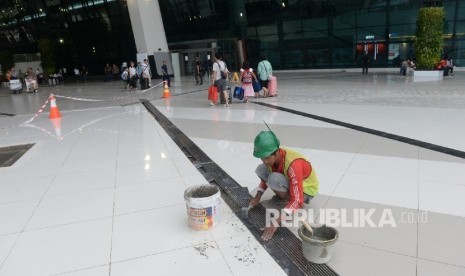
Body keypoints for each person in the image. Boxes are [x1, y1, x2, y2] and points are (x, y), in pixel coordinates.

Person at [249, 130, 319, 241]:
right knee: (261, 170)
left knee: (273, 179)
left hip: (306, 191)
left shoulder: (293, 164)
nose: (264, 161)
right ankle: (287, 202)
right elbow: (264, 175)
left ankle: (292, 206)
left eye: (267, 157)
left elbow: (297, 199)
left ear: (276, 152)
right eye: (262, 158)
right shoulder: (272, 157)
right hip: (293, 183)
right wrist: (257, 197)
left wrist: (276, 221)